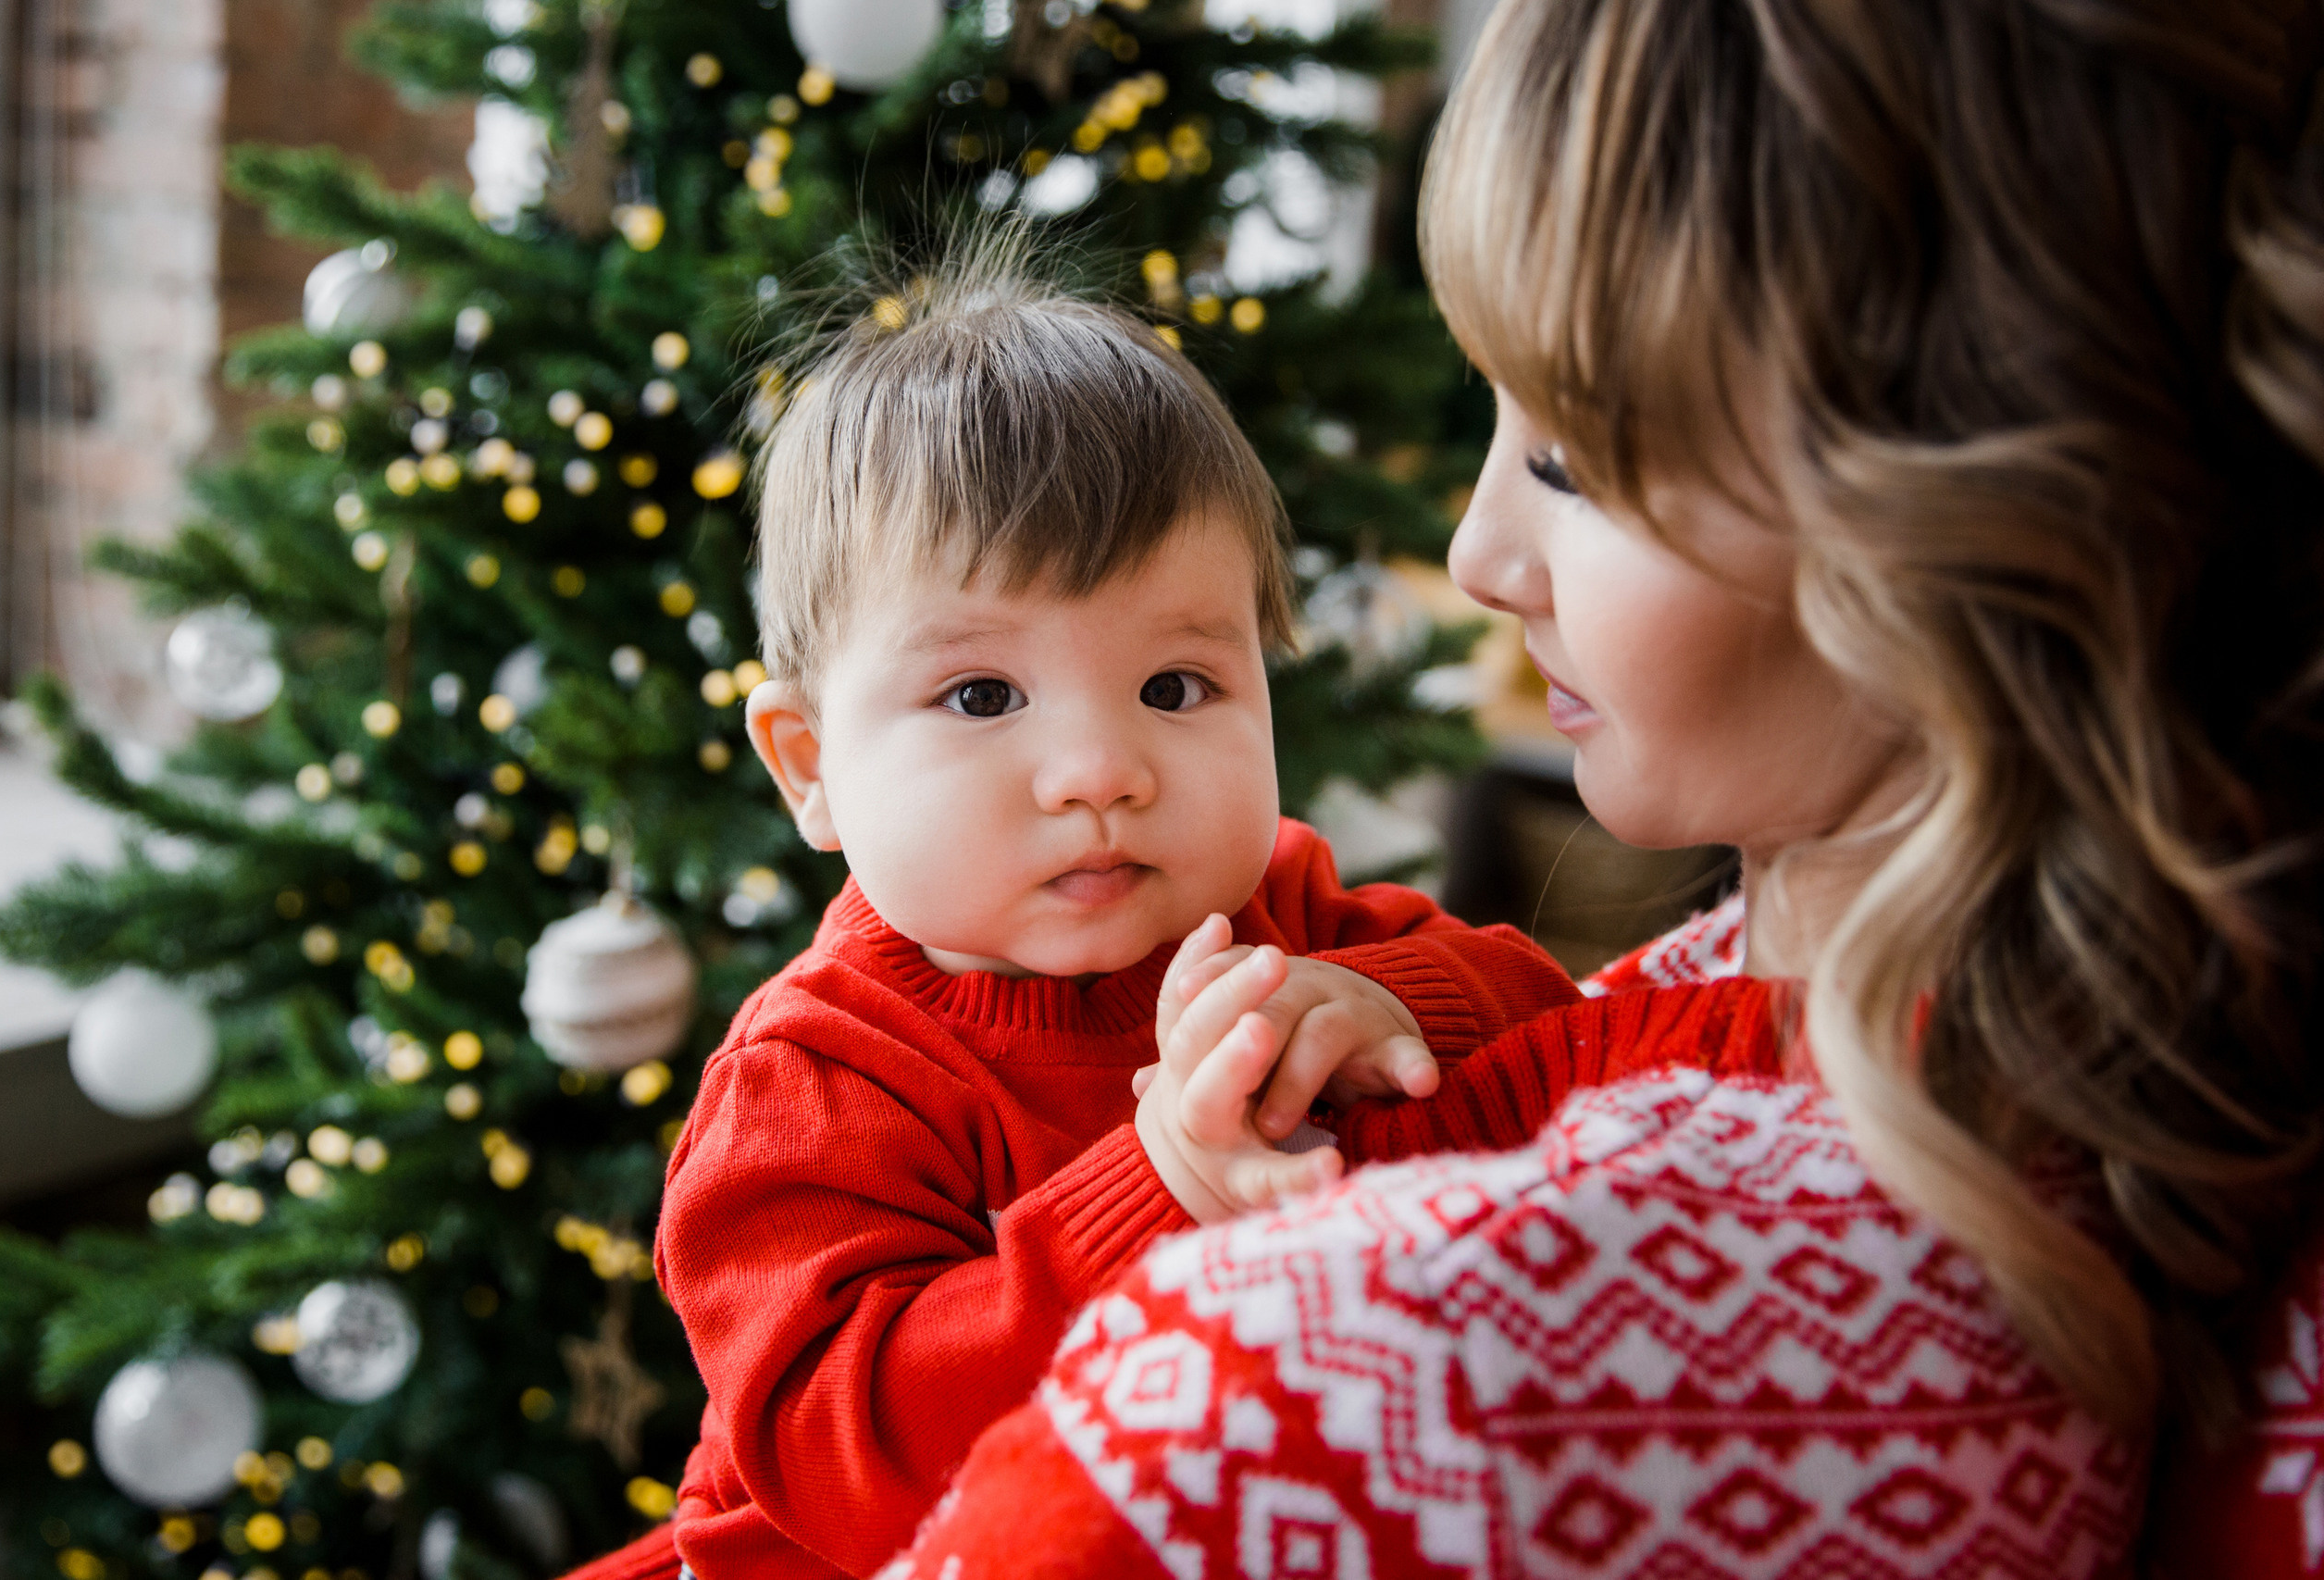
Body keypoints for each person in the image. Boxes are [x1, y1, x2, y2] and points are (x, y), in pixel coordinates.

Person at [886, 0, 2324, 1573]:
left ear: (1973, 512)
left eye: (1573, 458)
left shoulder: (1346, 1391)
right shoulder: (2152, 1055)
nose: (1479, 554)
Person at [563, 236, 1585, 1580]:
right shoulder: (812, 1086)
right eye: (983, 697)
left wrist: (1394, 1005)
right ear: (811, 767)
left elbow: (1565, 1032)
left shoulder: (1276, 907)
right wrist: (1155, 1190)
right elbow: (858, 1473)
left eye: (1176, 687)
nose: (1104, 771)